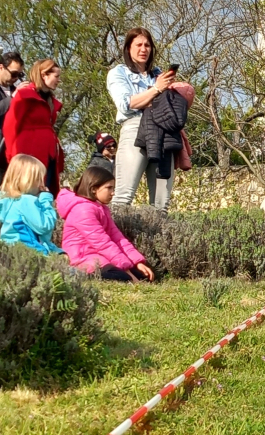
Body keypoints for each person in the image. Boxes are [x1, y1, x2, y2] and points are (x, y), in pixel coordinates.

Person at [107, 27, 177, 210]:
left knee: (161, 204)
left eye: (147, 45)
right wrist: (156, 90)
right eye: (138, 45)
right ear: (128, 48)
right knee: (123, 196)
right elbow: (126, 104)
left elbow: (168, 106)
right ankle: (114, 238)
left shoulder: (158, 74)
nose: (143, 49)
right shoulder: (118, 73)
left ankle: (158, 239)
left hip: (163, 132)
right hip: (135, 128)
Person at [57, 166, 155, 282]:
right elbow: (103, 243)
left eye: (113, 188)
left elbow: (117, 238)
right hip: (83, 259)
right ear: (93, 189)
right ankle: (79, 275)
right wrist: (127, 270)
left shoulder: (101, 208)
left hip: (100, 257)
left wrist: (137, 262)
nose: (113, 193)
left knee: (141, 275)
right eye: (109, 188)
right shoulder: (82, 210)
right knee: (123, 277)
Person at [2, 59, 65, 196]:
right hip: (29, 151)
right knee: (28, 192)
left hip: (48, 152)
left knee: (44, 191)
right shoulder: (25, 95)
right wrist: (12, 156)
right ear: (44, 75)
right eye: (56, 76)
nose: (59, 80)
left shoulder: (50, 100)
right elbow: (10, 125)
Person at [0, 154, 62, 255]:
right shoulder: (25, 202)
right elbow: (45, 226)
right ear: (27, 180)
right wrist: (46, 199)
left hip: (13, 251)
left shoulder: (9, 200)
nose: (41, 184)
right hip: (31, 251)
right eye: (39, 179)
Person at [0, 51, 25, 190]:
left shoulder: (15, 90)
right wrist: (12, 98)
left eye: (19, 75)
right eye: (14, 74)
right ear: (1, 68)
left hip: (10, 154)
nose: (16, 78)